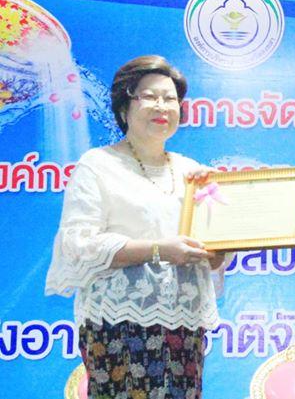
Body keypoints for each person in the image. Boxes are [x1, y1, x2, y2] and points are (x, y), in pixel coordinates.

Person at [45, 55, 224, 399]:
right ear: (124, 107)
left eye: (170, 98)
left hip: (183, 327)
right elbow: (79, 244)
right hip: (117, 325)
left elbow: (212, 257)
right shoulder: (97, 165)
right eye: (150, 96)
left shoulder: (193, 173)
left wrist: (223, 243)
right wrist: (159, 250)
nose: (162, 106)